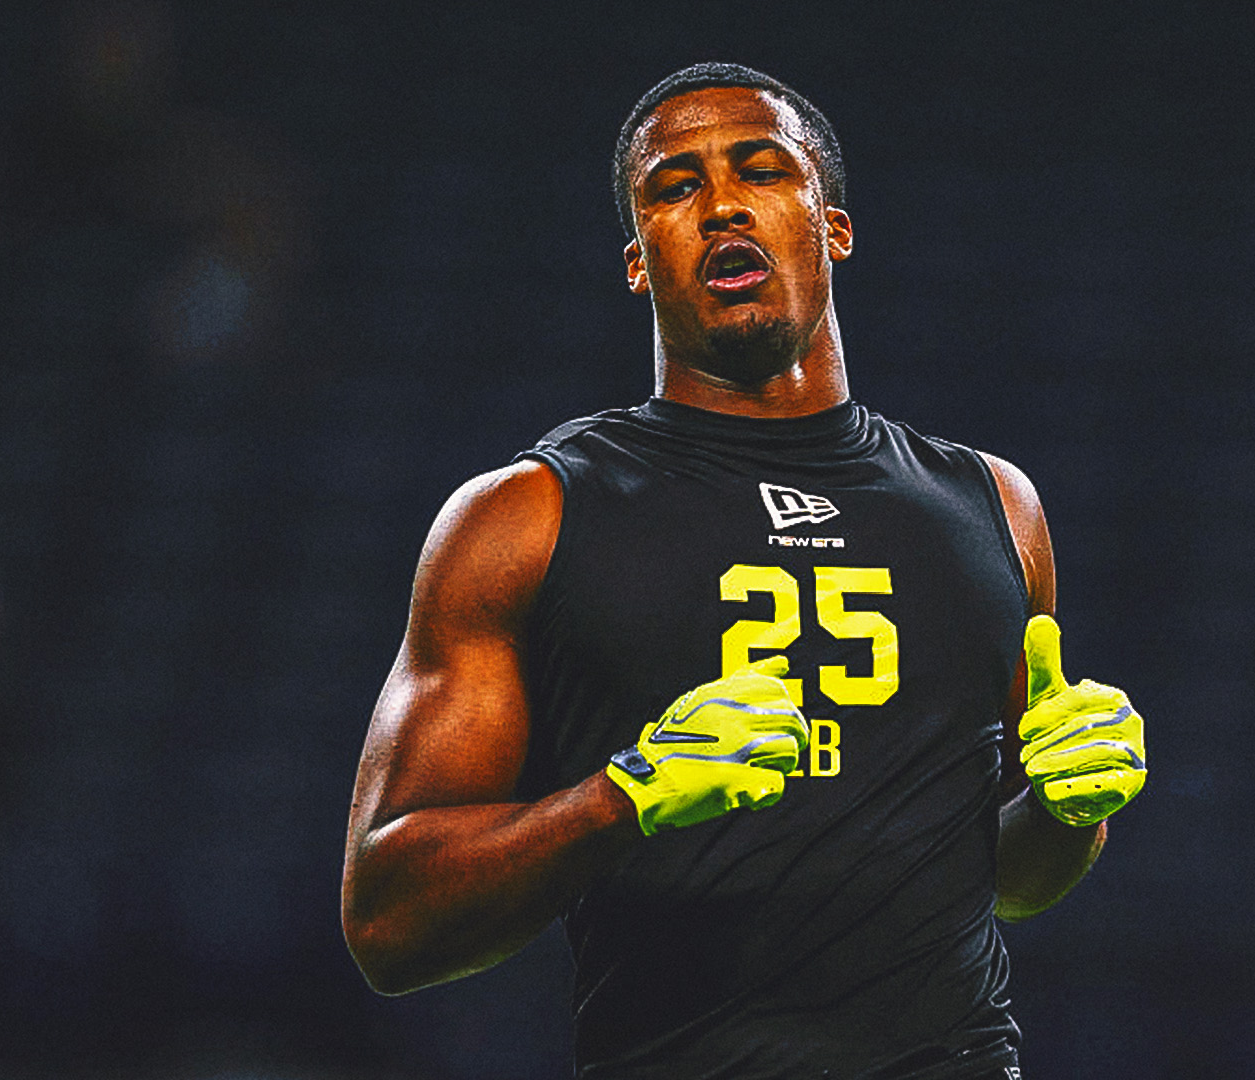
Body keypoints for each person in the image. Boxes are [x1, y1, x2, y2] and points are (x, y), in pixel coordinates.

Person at [340, 62, 1149, 1080]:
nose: (721, 204)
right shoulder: (526, 517)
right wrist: (623, 799)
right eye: (675, 187)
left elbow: (1011, 879)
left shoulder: (994, 505)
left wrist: (1073, 812)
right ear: (638, 263)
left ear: (834, 228)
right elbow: (389, 924)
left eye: (763, 171)